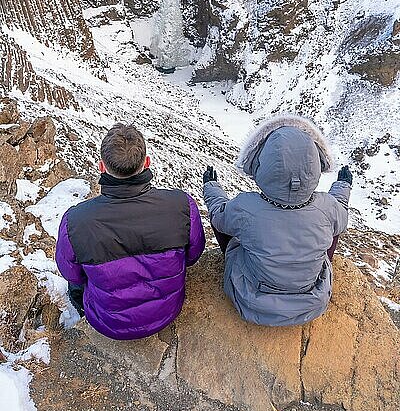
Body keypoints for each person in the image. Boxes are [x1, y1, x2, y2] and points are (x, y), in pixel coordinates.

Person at [56, 123, 205, 340]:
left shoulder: (76, 222)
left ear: (101, 167)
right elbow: (193, 256)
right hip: (166, 313)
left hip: (108, 323)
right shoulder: (181, 204)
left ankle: (82, 315)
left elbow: (71, 274)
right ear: (147, 163)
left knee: (76, 277)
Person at [203, 114, 352, 327]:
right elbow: (342, 217)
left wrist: (211, 187)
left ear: (264, 166)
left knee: (228, 221)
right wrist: (343, 186)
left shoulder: (246, 207)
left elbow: (219, 216)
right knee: (333, 224)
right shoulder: (326, 206)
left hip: (251, 298)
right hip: (311, 300)